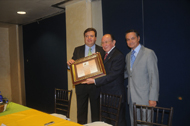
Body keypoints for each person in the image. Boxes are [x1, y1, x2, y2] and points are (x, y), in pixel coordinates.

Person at [82, 34, 126, 126]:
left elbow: (111, 76)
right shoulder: (104, 55)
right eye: (102, 42)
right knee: (106, 122)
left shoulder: (118, 55)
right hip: (105, 95)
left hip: (115, 96)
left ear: (113, 42)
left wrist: (94, 81)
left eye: (106, 42)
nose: (104, 45)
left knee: (116, 122)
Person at [67, 28, 105, 124]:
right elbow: (72, 65)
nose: (89, 38)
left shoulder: (101, 50)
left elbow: (105, 68)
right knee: (81, 113)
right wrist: (69, 64)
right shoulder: (77, 49)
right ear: (84, 38)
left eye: (91, 36)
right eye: (87, 36)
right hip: (81, 87)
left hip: (95, 86)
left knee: (96, 113)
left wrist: (98, 60)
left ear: (95, 38)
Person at [124, 29, 159, 126]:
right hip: (131, 97)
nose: (130, 41)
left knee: (146, 124)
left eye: (132, 38)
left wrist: (153, 98)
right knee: (134, 123)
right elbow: (128, 73)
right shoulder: (128, 56)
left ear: (138, 38)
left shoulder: (148, 53)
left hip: (145, 98)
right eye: (127, 39)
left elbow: (154, 77)